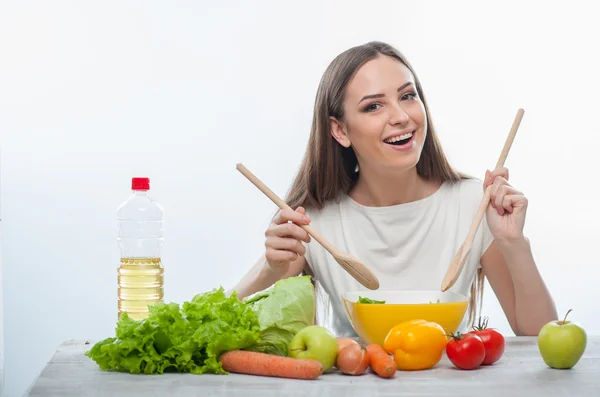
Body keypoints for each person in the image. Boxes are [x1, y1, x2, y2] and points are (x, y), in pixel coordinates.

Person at [232, 41, 557, 337]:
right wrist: (268, 268)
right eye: (374, 106)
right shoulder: (313, 221)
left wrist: (515, 243)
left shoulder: (472, 203)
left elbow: (542, 337)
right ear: (340, 130)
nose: (401, 116)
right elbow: (228, 329)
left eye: (407, 96)